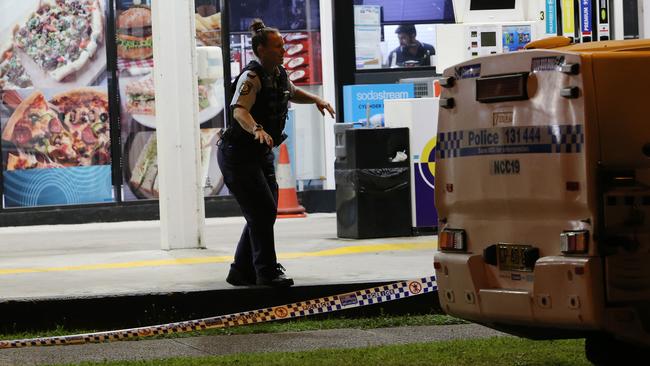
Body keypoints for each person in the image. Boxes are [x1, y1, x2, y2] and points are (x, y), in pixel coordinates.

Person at [219, 19, 335, 287]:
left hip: (260, 154)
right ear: (260, 49)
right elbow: (239, 111)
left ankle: (240, 270)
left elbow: (291, 92)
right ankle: (267, 271)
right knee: (262, 211)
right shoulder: (251, 77)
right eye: (278, 46)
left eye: (283, 46)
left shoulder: (279, 73)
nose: (283, 50)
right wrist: (257, 128)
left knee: (265, 213)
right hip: (238, 155)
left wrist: (316, 99)